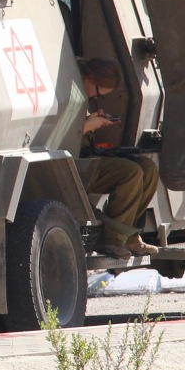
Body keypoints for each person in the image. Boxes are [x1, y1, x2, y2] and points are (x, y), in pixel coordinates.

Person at [74, 56, 159, 260]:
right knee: (130, 173)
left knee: (148, 168)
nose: (94, 97)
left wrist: (91, 121)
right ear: (88, 77)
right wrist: (87, 126)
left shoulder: (81, 90)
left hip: (85, 158)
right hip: (70, 165)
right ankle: (112, 240)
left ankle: (130, 237)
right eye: (96, 92)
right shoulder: (66, 88)